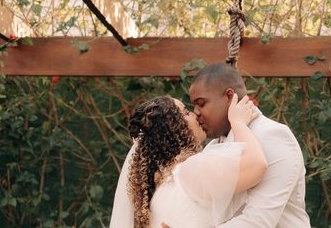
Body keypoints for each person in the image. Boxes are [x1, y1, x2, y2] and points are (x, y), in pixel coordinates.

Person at [110, 92, 267, 227]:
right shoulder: (189, 170)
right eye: (185, 112)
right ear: (172, 130)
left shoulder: (159, 193)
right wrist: (238, 123)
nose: (194, 114)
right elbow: (257, 165)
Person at [188, 63, 311, 227]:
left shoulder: (273, 136)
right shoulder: (212, 147)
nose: (196, 112)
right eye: (194, 106)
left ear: (229, 96)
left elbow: (258, 221)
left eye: (201, 103)